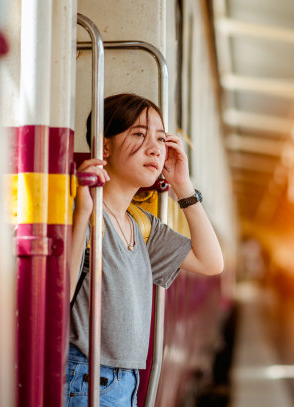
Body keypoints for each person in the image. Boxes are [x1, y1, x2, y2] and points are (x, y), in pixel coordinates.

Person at [66, 93, 224, 407]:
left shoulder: (141, 225)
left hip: (126, 381)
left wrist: (183, 186)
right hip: (85, 378)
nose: (155, 148)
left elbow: (211, 262)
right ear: (105, 146)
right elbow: (59, 298)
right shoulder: (84, 211)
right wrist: (81, 215)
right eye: (139, 134)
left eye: (161, 138)